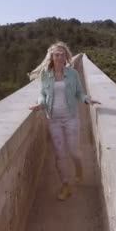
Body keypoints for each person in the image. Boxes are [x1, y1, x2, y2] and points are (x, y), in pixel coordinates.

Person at [28, 41, 100, 201]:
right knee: (60, 155)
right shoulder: (45, 75)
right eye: (56, 54)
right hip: (53, 119)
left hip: (71, 118)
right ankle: (66, 185)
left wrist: (88, 100)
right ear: (51, 57)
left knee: (74, 151)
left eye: (62, 54)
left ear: (66, 56)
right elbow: (43, 94)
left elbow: (79, 93)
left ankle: (79, 168)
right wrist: (39, 103)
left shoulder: (72, 74)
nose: (59, 57)